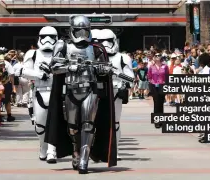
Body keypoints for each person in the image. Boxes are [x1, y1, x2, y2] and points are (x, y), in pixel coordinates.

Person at [45, 15, 117, 174]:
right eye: (79, 30)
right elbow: (54, 67)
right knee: (72, 128)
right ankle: (76, 150)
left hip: (90, 90)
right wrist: (69, 68)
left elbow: (106, 68)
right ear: (72, 30)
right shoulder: (62, 46)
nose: (82, 34)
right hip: (70, 91)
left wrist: (102, 70)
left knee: (88, 124)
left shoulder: (96, 48)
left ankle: (84, 158)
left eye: (86, 30)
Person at [21, 26, 58, 163]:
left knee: (55, 123)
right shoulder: (33, 54)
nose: (48, 40)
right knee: (40, 124)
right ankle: (43, 147)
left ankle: (51, 151)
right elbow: (24, 71)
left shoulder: (61, 53)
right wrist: (39, 74)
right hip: (39, 91)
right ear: (39, 38)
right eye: (44, 37)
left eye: (51, 37)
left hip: (56, 92)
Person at [96, 29, 134, 160]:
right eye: (102, 41)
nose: (105, 44)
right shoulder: (93, 57)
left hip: (115, 91)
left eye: (109, 41)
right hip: (98, 92)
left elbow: (131, 77)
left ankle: (113, 149)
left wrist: (117, 73)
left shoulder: (122, 58)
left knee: (115, 122)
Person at [147, 53, 169, 129]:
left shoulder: (165, 66)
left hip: (162, 86)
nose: (157, 57)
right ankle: (156, 121)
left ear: (161, 57)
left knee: (161, 103)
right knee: (156, 103)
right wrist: (151, 84)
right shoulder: (151, 67)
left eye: (158, 55)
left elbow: (167, 76)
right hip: (154, 86)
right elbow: (149, 77)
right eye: (155, 56)